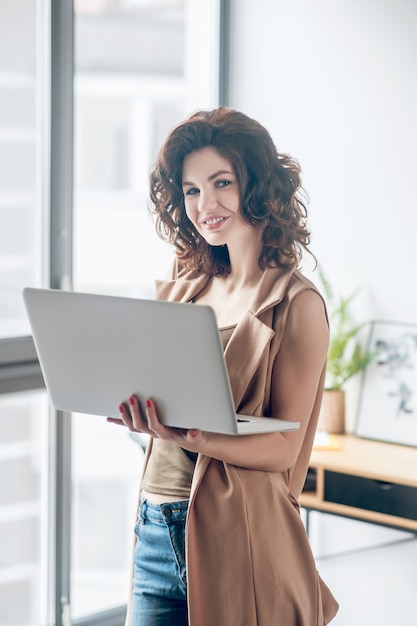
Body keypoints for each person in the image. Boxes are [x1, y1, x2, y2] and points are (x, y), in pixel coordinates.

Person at [107, 107, 339, 626]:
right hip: (155, 525)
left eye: (221, 183)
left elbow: (283, 449)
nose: (204, 204)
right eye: (190, 190)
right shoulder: (187, 285)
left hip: (236, 533)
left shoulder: (297, 305)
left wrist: (188, 434)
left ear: (257, 186)